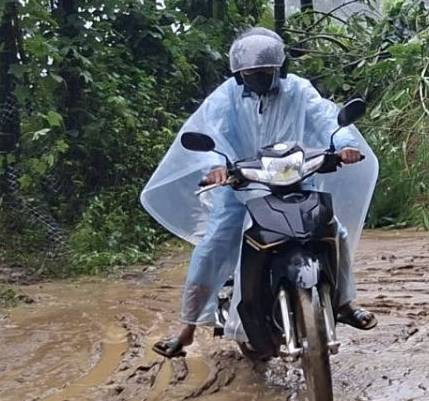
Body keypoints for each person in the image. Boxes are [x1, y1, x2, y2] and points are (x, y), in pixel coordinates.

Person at [141, 27, 379, 359]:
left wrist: (344, 145)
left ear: (279, 69)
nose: (258, 79)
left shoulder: (299, 90)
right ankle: (188, 327)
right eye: (250, 74)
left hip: (296, 180)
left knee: (333, 232)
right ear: (239, 75)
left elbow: (326, 118)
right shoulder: (226, 97)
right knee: (213, 245)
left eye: (265, 73)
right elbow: (208, 131)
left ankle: (344, 302)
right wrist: (216, 166)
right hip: (241, 186)